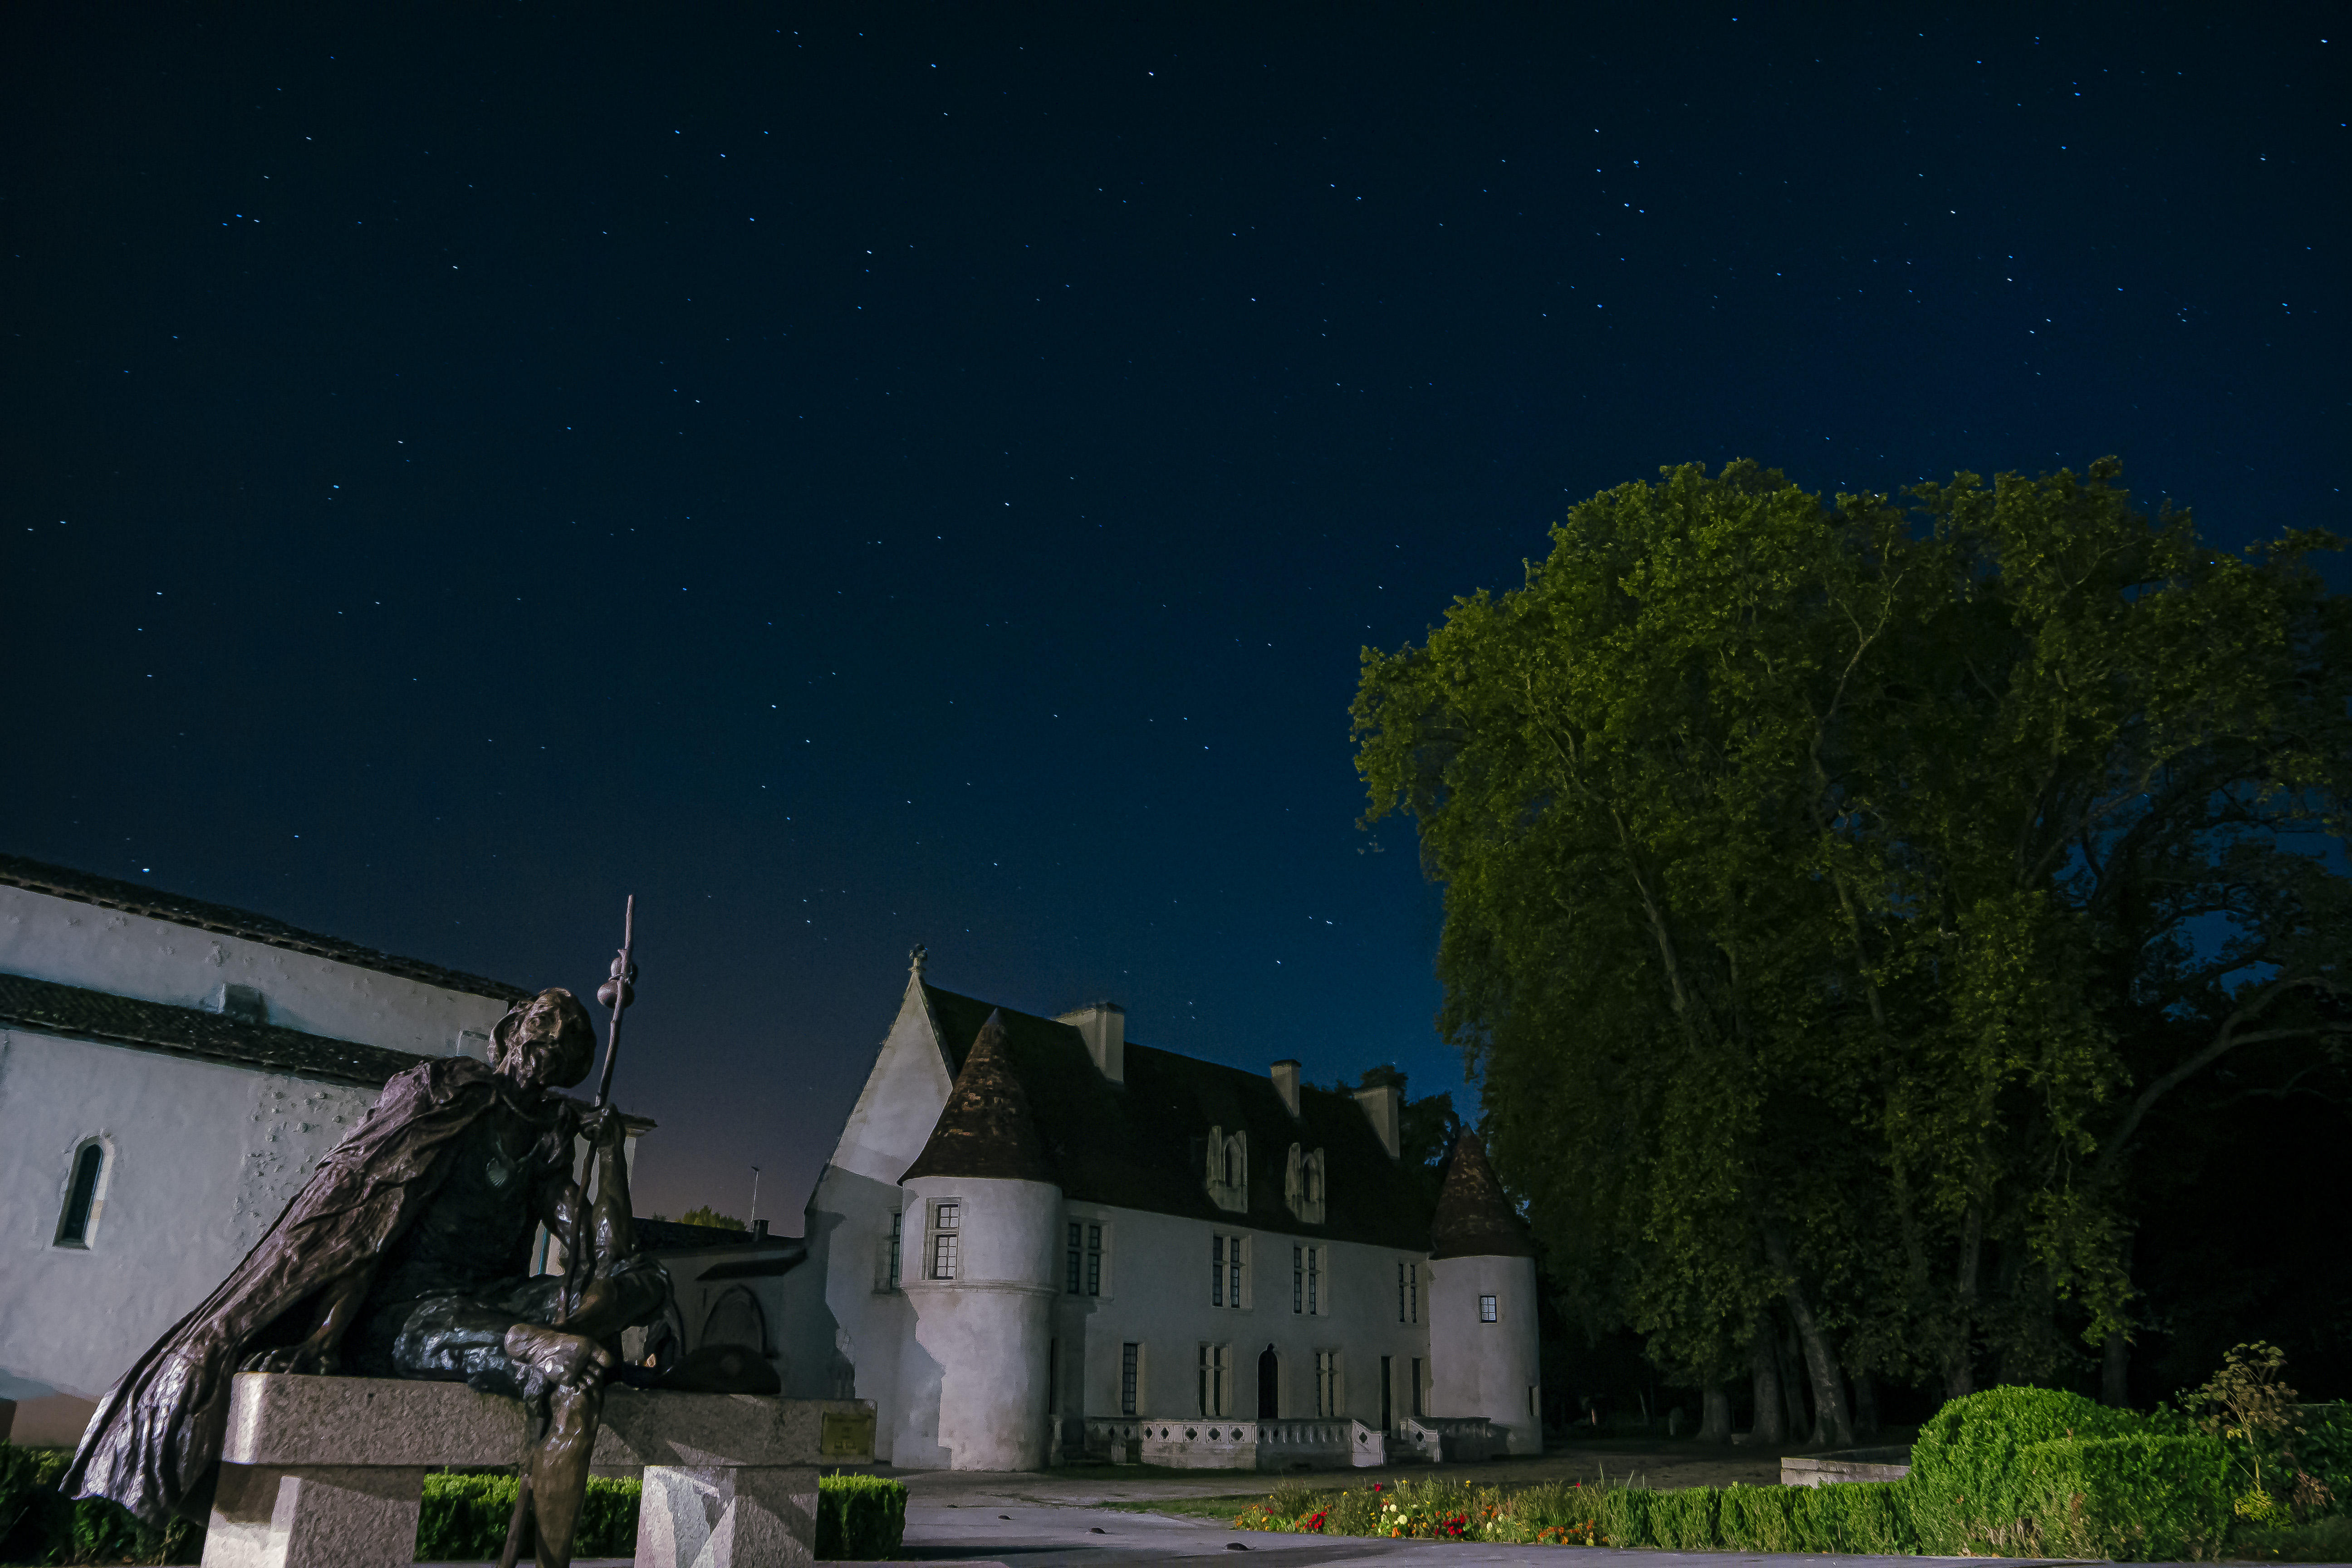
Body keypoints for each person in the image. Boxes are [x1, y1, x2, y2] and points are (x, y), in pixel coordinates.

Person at [65, 988, 670, 1568]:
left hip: (494, 1297)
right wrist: (324, 1337)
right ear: (511, 1032)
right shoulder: (443, 1100)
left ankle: (556, 1336)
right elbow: (366, 1225)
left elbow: (604, 1254)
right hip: (408, 1307)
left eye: (571, 1038)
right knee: (536, 1348)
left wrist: (612, 1155)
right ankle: (533, 1341)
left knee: (646, 1280)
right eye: (544, 1021)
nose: (556, 1037)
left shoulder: (546, 1141)